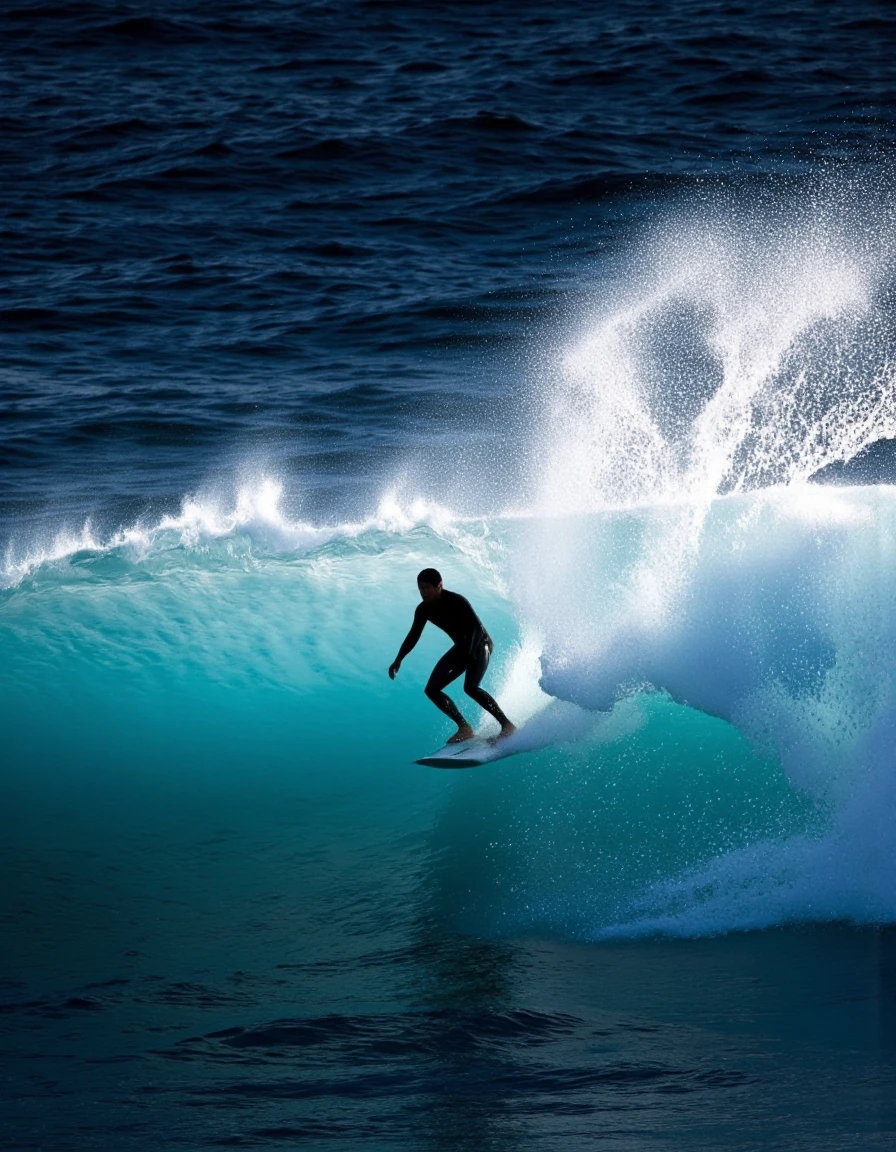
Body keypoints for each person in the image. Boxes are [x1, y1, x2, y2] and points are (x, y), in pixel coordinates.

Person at [389, 568, 516, 744]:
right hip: (461, 647)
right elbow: (414, 635)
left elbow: (476, 629)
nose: (423, 592)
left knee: (471, 687)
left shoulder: (457, 601)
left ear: (439, 586)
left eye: (427, 588)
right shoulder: (423, 610)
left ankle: (507, 725)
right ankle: (464, 728)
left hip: (480, 644)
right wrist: (399, 658)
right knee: (431, 689)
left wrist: (469, 654)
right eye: (420, 588)